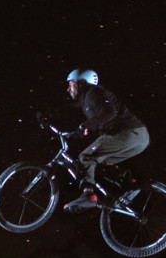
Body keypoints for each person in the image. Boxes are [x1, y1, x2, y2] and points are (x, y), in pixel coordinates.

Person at [62, 68, 149, 211]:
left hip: (128, 133)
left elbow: (109, 112)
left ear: (81, 83)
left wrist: (84, 127)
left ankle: (88, 195)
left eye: (71, 84)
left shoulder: (92, 93)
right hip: (140, 137)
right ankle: (131, 183)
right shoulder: (88, 99)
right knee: (99, 163)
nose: (68, 89)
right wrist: (79, 131)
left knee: (86, 157)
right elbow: (96, 117)